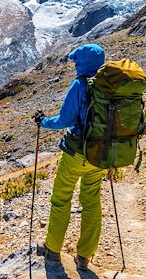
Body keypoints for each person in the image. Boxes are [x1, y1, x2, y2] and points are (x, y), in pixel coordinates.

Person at [32, 43, 107, 271]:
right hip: (101, 154)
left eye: (77, 61)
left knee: (61, 199)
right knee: (92, 202)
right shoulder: (110, 84)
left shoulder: (80, 85)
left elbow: (64, 120)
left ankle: (53, 250)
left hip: (77, 153)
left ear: (83, 63)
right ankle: (84, 258)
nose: (74, 65)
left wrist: (42, 121)